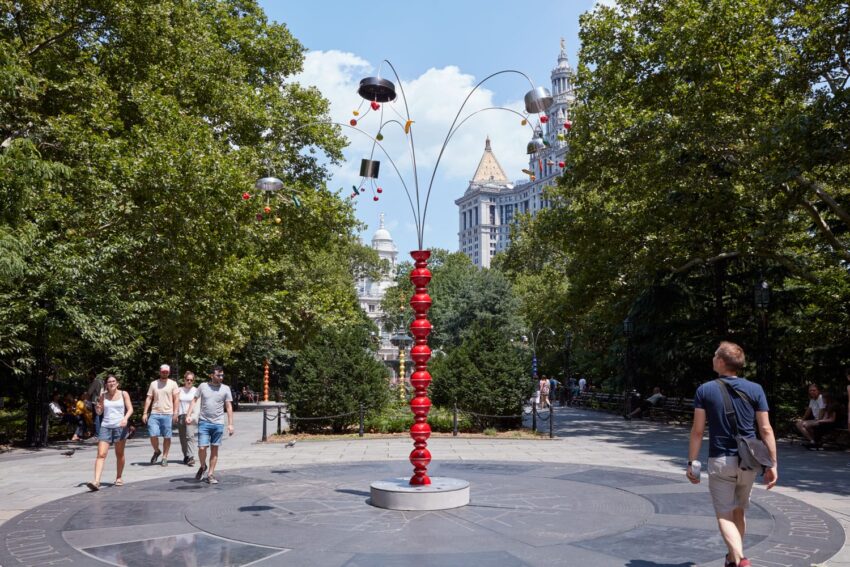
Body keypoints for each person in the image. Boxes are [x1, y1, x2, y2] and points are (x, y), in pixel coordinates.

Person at [687, 341, 778, 567]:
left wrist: (692, 461)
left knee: (723, 515)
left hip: (720, 460)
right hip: (748, 461)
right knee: (739, 511)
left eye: (714, 355)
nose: (712, 358)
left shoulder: (705, 390)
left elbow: (698, 431)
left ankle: (741, 560)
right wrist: (772, 464)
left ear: (720, 361)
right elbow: (766, 429)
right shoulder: (756, 389)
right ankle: (731, 558)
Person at [186, 366, 234, 484]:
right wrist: (188, 415)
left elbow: (228, 406)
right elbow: (194, 400)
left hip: (218, 423)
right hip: (204, 422)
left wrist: (230, 424)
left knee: (214, 449)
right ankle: (203, 466)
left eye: (222, 375)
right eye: (218, 375)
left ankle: (210, 474)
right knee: (202, 447)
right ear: (211, 375)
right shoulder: (203, 386)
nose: (221, 377)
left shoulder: (225, 388)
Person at [86, 374, 133, 491]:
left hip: (120, 427)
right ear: (106, 384)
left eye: (114, 381)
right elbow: (99, 412)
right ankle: (96, 481)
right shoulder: (103, 396)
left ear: (117, 383)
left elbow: (130, 409)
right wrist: (98, 409)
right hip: (105, 427)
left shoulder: (124, 394)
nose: (112, 383)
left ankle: (118, 477)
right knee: (101, 454)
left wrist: (125, 419)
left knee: (119, 454)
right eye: (109, 382)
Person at [141, 364, 179, 466]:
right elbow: (149, 398)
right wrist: (145, 413)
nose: (165, 373)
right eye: (163, 371)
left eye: (166, 371)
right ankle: (157, 450)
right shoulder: (154, 384)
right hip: (154, 413)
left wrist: (175, 413)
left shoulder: (173, 384)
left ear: (169, 372)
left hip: (168, 413)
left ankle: (164, 457)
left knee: (167, 436)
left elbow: (176, 399)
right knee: (152, 434)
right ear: (160, 372)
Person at [177, 371, 199, 466]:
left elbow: (198, 405)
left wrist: (193, 417)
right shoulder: (179, 390)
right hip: (181, 415)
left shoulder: (196, 390)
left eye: (191, 380)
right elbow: (176, 403)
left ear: (193, 381)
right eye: (187, 379)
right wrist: (175, 414)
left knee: (190, 436)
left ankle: (191, 457)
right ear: (184, 380)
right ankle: (186, 455)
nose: (189, 381)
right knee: (182, 438)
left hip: (191, 416)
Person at [85, 371, 104, 439]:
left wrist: (85, 400)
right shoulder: (102, 381)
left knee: (97, 417)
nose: (88, 377)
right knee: (101, 417)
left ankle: (97, 434)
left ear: (92, 375)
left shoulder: (95, 382)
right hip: (103, 401)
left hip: (96, 402)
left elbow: (89, 392)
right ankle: (102, 433)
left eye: (89, 375)